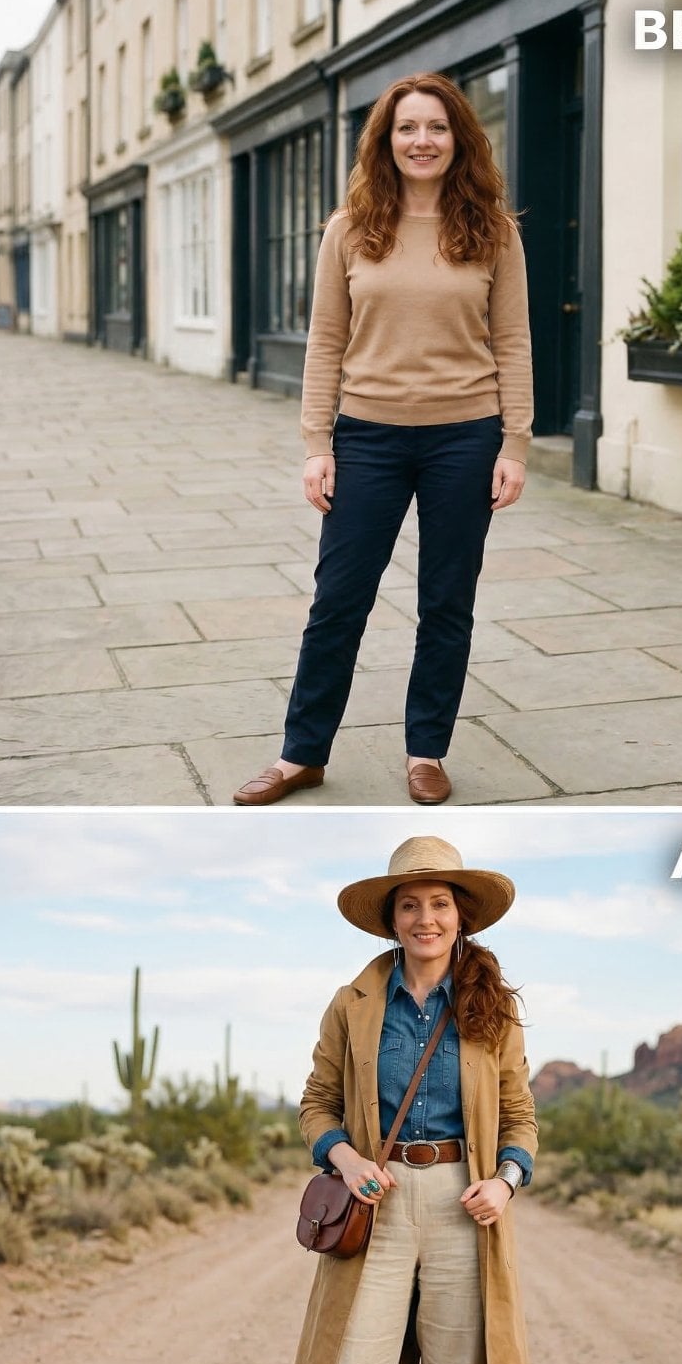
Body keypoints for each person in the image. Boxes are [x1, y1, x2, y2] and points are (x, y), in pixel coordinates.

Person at [251, 835, 537, 1364]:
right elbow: (316, 1103)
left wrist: (505, 1183)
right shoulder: (354, 1002)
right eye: (410, 904)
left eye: (439, 903)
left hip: (460, 1203)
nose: (425, 917)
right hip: (374, 1204)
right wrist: (341, 1155)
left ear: (461, 916)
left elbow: (520, 1118)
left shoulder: (492, 1007)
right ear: (390, 918)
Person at [234, 71, 533, 810]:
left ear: (458, 137)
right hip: (366, 436)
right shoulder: (350, 227)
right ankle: (301, 754)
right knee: (338, 600)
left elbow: (515, 341)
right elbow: (325, 340)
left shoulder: (493, 230)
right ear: (386, 140)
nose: (422, 140)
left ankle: (426, 751)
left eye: (436, 127)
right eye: (407, 128)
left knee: (446, 602)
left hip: (465, 436)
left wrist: (515, 444)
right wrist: (316, 442)